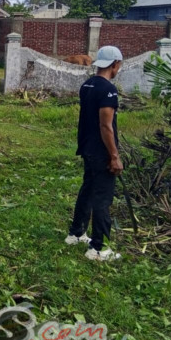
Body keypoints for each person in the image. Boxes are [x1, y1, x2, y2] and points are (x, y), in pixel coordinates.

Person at [65, 46, 124, 261]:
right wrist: (114, 156)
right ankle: (99, 248)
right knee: (102, 198)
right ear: (115, 64)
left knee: (88, 190)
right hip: (101, 151)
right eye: (119, 65)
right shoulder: (108, 90)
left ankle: (76, 233)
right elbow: (105, 126)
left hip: (87, 147)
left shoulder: (87, 85)